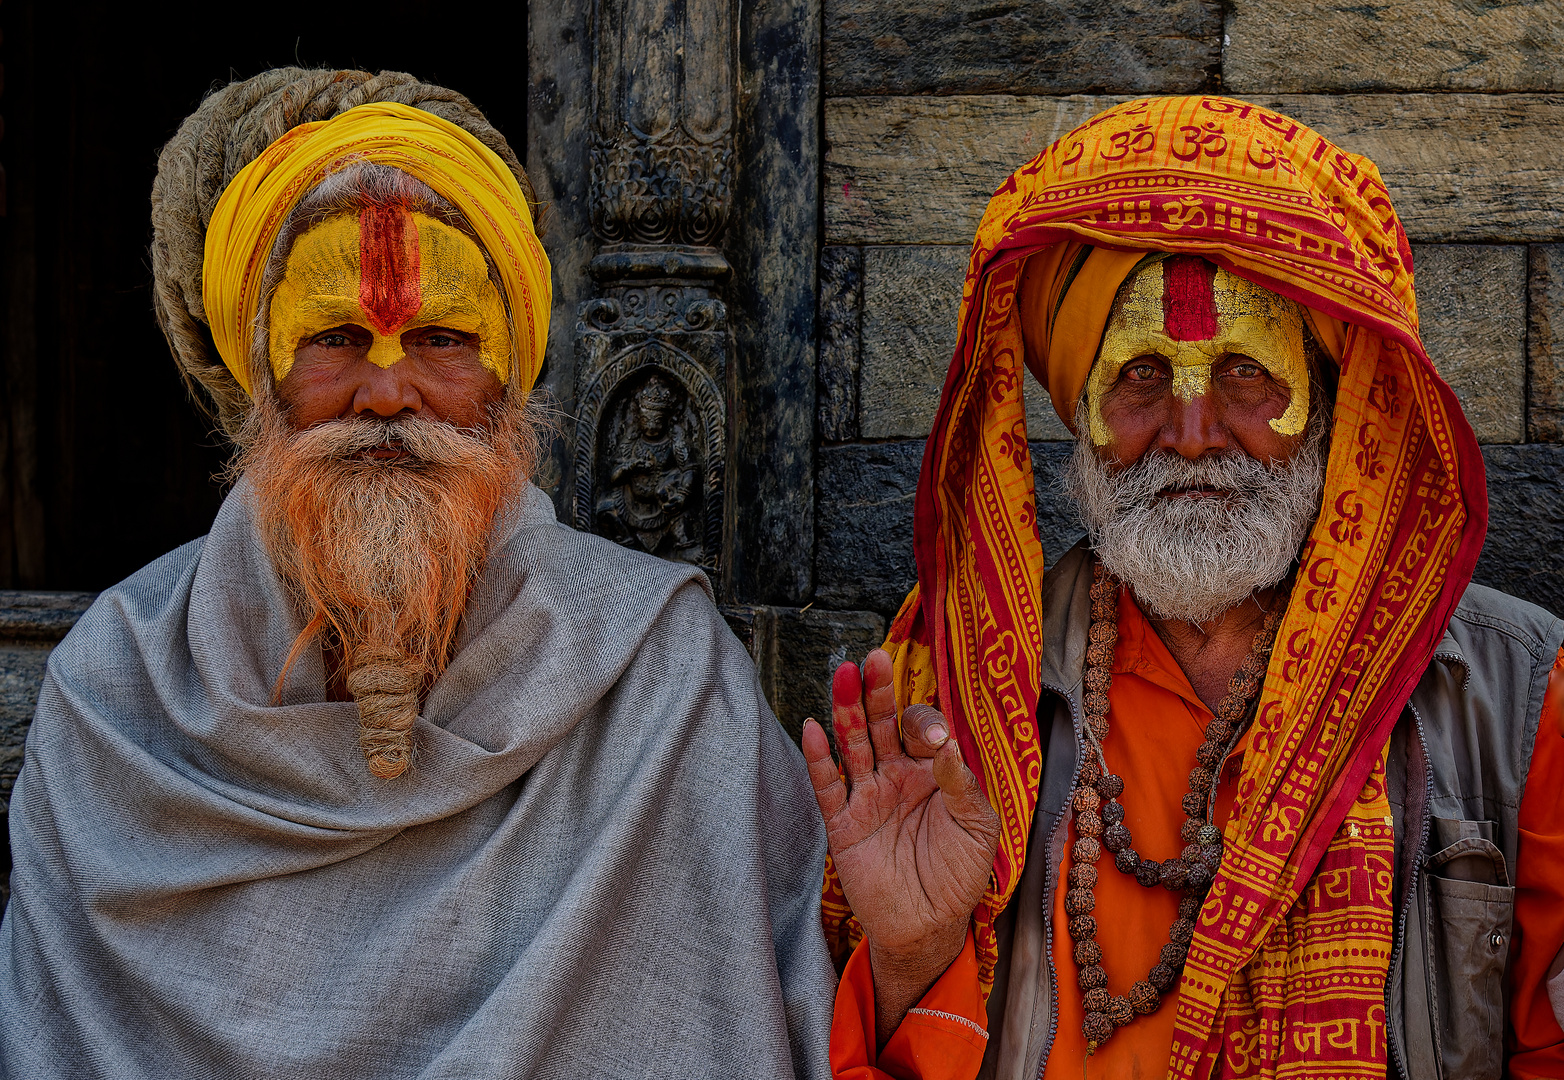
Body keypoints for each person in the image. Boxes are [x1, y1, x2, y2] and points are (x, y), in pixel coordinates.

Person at [0, 68, 835, 1078]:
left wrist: (912, 947)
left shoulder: (659, 677)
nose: (389, 391)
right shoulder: (114, 693)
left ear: (505, 372)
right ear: (258, 376)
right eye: (335, 340)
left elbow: (800, 1012)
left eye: (441, 338)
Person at [806, 95, 1564, 1080]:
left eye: (1246, 372)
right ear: (1078, 407)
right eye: (1142, 376)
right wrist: (912, 949)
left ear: (1332, 403)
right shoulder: (951, 697)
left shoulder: (1517, 698)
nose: (1194, 429)